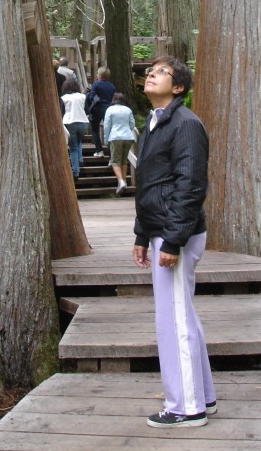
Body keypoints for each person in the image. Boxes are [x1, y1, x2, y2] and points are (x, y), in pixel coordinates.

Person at [132, 57, 216, 429]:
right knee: (183, 315)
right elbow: (150, 184)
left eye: (162, 72)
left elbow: (191, 185)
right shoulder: (154, 122)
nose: (151, 73)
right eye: (151, 70)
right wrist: (142, 234)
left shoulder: (185, 124)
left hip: (176, 234)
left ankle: (186, 407)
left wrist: (172, 241)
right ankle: (203, 397)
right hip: (161, 229)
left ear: (178, 87)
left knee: (174, 320)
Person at [103, 93, 136, 195]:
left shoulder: (110, 109)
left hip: (115, 136)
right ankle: (124, 181)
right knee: (124, 160)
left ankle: (120, 181)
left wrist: (106, 139)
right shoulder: (128, 110)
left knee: (115, 161)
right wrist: (127, 130)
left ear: (113, 100)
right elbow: (132, 124)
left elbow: (107, 125)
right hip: (128, 137)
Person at [61, 78, 89, 181]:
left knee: (73, 148)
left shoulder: (64, 98)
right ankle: (80, 159)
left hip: (69, 122)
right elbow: (87, 110)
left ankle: (76, 172)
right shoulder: (82, 96)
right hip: (83, 122)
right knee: (78, 140)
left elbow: (62, 112)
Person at [86, 66, 116, 157]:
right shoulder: (112, 86)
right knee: (110, 130)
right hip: (109, 109)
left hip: (97, 109)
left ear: (99, 74)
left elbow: (92, 97)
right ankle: (111, 152)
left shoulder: (96, 84)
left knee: (95, 129)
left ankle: (99, 150)